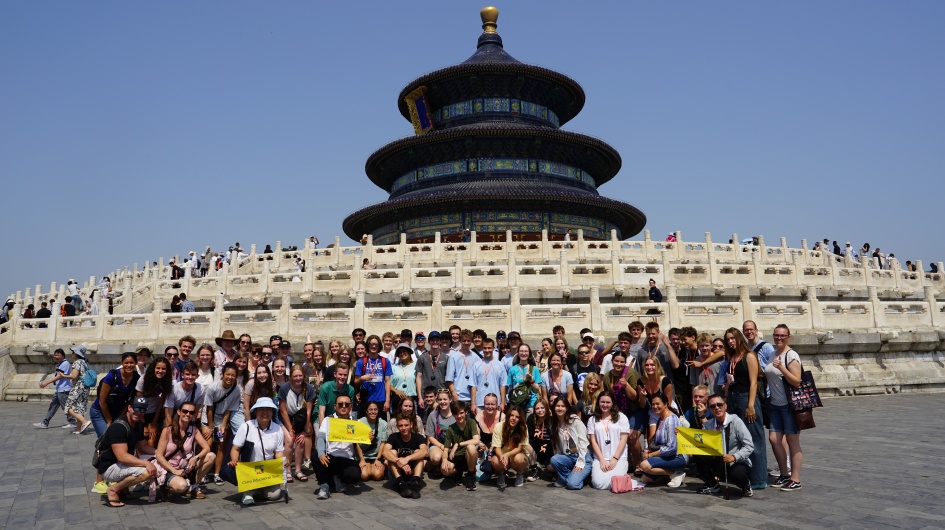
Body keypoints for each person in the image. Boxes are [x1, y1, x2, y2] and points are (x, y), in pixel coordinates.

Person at [721, 327, 768, 490]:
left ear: (739, 338)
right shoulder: (731, 357)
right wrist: (726, 399)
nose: (730, 342)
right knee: (738, 438)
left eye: (733, 338)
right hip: (733, 398)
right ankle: (744, 474)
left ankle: (759, 477)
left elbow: (754, 382)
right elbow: (729, 381)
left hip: (746, 397)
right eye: (728, 339)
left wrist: (750, 405)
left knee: (754, 437)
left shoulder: (749, 356)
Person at [95, 397, 157, 507]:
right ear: (129, 408)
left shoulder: (137, 425)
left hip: (121, 464)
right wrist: (147, 463)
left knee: (156, 460)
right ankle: (113, 489)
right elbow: (122, 457)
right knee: (146, 472)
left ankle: (124, 489)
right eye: (136, 408)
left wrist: (160, 453)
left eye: (142, 410)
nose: (138, 413)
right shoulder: (119, 427)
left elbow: (143, 447)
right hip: (108, 467)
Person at [764, 324, 804, 491]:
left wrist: (781, 367)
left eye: (782, 335)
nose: (779, 338)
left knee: (792, 441)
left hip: (789, 405)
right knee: (774, 439)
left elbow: (797, 380)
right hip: (774, 404)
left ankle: (795, 478)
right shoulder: (773, 353)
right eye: (776, 335)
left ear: (788, 337)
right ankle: (784, 474)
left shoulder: (791, 355)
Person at [229, 397, 286, 505]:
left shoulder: (277, 429)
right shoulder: (246, 427)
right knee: (249, 495)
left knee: (275, 495)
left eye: (268, 409)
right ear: (256, 412)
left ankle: (258, 489)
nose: (265, 412)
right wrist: (235, 460)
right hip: (249, 469)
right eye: (261, 409)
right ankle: (250, 491)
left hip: (267, 470)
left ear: (272, 412)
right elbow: (235, 448)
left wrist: (283, 461)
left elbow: (278, 452)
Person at [695, 394, 754, 497]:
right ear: (709, 409)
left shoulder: (736, 421)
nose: (717, 408)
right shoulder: (708, 425)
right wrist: (680, 433)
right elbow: (701, 444)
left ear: (725, 406)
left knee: (738, 475)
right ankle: (712, 485)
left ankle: (746, 485)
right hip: (719, 460)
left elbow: (749, 446)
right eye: (713, 406)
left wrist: (734, 457)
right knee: (698, 453)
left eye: (719, 405)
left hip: (737, 461)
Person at [155, 402, 215, 500]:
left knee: (211, 456)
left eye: (191, 412)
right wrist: (174, 470)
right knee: (181, 486)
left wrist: (195, 458)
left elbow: (206, 448)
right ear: (179, 412)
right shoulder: (167, 431)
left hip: (184, 466)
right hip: (168, 468)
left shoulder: (194, 430)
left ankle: (192, 487)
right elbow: (159, 455)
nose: (188, 414)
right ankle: (166, 488)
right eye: (185, 411)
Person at [601, 351, 644, 468]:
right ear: (612, 361)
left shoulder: (631, 373)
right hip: (618, 412)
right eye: (616, 361)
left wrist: (626, 385)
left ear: (625, 363)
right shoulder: (607, 376)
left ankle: (638, 463)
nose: (618, 364)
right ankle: (627, 462)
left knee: (632, 436)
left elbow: (635, 397)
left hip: (634, 410)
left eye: (621, 362)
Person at [315, 395, 362, 499]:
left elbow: (360, 443)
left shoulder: (355, 422)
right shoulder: (328, 420)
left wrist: (368, 438)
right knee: (316, 455)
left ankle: (338, 478)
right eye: (340, 404)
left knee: (355, 476)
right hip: (331, 456)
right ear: (335, 406)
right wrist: (321, 453)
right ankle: (324, 486)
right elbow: (321, 438)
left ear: (351, 407)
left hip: (347, 458)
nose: (343, 406)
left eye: (347, 404)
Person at [638, 394, 688, 487]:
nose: (655, 407)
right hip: (666, 456)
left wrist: (650, 455)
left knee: (644, 465)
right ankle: (667, 476)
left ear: (665, 404)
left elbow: (671, 448)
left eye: (658, 404)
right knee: (644, 479)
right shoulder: (660, 419)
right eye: (653, 404)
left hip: (677, 457)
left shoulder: (671, 419)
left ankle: (674, 473)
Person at [206, 362, 242, 486]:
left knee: (221, 444)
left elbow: (229, 409)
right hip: (208, 417)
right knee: (208, 443)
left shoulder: (236, 389)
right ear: (222, 374)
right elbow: (208, 408)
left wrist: (223, 425)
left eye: (233, 375)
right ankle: (204, 472)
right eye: (228, 374)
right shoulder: (213, 388)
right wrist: (210, 426)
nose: (230, 377)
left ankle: (217, 473)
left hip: (221, 418)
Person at [586, 393, 630, 490]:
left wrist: (614, 459)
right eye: (602, 402)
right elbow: (593, 441)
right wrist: (602, 459)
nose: (605, 405)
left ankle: (622, 481)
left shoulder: (621, 417)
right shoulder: (592, 420)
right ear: (598, 402)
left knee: (616, 480)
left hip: (619, 456)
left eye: (608, 402)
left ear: (612, 403)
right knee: (597, 484)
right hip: (600, 456)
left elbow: (624, 439)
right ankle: (622, 482)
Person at [383, 412, 429, 499]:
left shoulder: (418, 437)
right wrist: (399, 461)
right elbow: (385, 452)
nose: (404, 428)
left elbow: (424, 451)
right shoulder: (393, 437)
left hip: (412, 473)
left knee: (419, 452)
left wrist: (407, 459)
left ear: (411, 425)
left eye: (406, 425)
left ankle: (415, 484)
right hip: (397, 474)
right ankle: (401, 484)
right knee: (391, 452)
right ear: (397, 426)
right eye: (401, 426)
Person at [548, 396, 591, 489]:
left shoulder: (575, 421)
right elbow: (556, 446)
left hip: (582, 456)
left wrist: (580, 462)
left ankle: (578, 478)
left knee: (572, 485)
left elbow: (584, 443)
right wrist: (557, 466)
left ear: (567, 408)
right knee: (554, 459)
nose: (560, 408)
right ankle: (569, 477)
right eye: (557, 406)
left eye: (562, 406)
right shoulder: (553, 424)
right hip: (568, 457)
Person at [441, 401, 481, 491]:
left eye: (461, 413)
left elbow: (476, 440)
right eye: (456, 414)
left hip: (468, 457)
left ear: (466, 412)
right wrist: (444, 460)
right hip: (456, 458)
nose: (459, 416)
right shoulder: (451, 428)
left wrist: (458, 444)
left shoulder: (471, 422)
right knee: (445, 470)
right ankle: (457, 473)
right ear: (453, 415)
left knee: (471, 447)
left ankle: (470, 476)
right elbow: (445, 449)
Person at [135, 358, 173, 448]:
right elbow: (140, 402)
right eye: (158, 368)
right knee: (144, 437)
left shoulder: (166, 381)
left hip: (154, 412)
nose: (160, 371)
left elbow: (160, 404)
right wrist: (143, 425)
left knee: (152, 440)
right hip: (141, 413)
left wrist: (153, 424)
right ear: (153, 368)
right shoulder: (143, 380)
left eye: (163, 369)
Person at [490, 406, 530, 489]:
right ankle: (502, 473)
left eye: (517, 417)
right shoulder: (499, 426)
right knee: (495, 460)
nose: (514, 418)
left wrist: (507, 454)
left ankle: (519, 473)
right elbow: (497, 447)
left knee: (519, 458)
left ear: (520, 419)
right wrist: (502, 457)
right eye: (512, 415)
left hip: (516, 455)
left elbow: (519, 448)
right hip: (502, 454)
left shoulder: (523, 427)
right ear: (508, 416)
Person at [34, 348, 74, 429]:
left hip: (63, 390)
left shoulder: (65, 364)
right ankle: (45, 423)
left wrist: (46, 382)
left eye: (58, 355)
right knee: (53, 406)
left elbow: (60, 376)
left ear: (63, 356)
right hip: (59, 389)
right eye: (55, 355)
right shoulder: (60, 364)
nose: (56, 357)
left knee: (66, 407)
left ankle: (73, 422)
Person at [354, 336, 392, 416]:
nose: (374, 346)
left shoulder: (385, 361)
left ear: (379, 346)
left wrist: (387, 400)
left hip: (380, 399)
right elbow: (356, 381)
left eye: (376, 344)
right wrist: (362, 378)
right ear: (367, 346)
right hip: (365, 399)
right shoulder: (361, 362)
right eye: (371, 344)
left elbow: (387, 381)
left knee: (381, 425)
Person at [469, 338, 507, 415]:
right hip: (480, 403)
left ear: (493, 348)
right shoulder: (476, 365)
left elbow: (502, 385)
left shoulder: (500, 365)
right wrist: (473, 403)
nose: (487, 350)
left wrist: (503, 402)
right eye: (485, 348)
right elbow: (473, 385)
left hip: (496, 403)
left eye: (489, 348)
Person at [63, 345, 94, 434]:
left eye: (73, 352)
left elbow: (74, 376)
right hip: (85, 387)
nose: (71, 354)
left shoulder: (77, 363)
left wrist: (63, 376)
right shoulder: (84, 362)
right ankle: (78, 428)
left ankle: (84, 422)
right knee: (80, 407)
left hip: (77, 387)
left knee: (69, 407)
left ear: (76, 354)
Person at [424, 389, 455, 474]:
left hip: (453, 446)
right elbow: (430, 437)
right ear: (437, 400)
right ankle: (435, 464)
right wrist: (442, 446)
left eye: (445, 399)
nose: (442, 402)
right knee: (436, 458)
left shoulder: (456, 414)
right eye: (440, 399)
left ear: (450, 400)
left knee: (448, 471)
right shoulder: (433, 415)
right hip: (438, 445)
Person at [507, 344, 543, 412]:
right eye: (521, 351)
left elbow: (537, 389)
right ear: (518, 352)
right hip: (516, 404)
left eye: (526, 351)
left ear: (529, 354)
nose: (524, 353)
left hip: (531, 404)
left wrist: (531, 380)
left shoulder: (534, 369)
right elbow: (511, 388)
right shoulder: (512, 370)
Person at [357, 402, 388, 482]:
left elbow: (383, 443)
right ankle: (369, 467)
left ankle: (373, 467)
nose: (373, 412)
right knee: (364, 476)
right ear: (366, 411)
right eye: (370, 409)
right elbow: (356, 443)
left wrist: (378, 459)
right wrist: (362, 459)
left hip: (376, 455)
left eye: (375, 409)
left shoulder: (383, 423)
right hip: (364, 455)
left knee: (377, 475)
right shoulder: (359, 422)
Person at [525, 398, 553, 481]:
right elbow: (528, 436)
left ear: (546, 408)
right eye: (537, 408)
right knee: (527, 443)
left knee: (551, 468)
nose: (540, 410)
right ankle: (534, 469)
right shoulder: (531, 418)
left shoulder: (551, 419)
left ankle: (550, 468)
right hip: (536, 445)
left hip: (549, 446)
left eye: (542, 408)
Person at [390, 345, 419, 413]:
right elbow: (388, 384)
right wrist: (396, 391)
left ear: (409, 352)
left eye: (404, 351)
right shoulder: (394, 367)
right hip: (398, 399)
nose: (402, 354)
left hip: (412, 399)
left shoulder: (416, 365)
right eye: (400, 352)